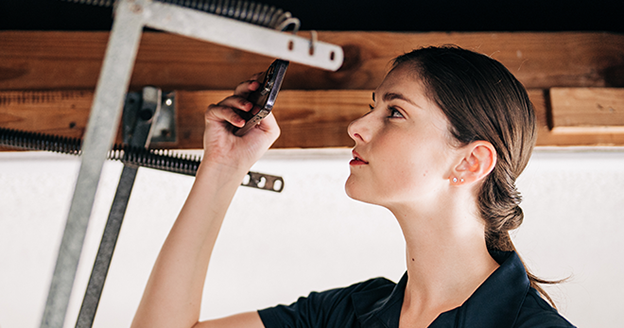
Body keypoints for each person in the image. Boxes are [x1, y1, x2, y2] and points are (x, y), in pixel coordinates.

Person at [131, 46, 575, 328]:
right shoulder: (347, 313)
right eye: (372, 107)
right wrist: (223, 168)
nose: (357, 126)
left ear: (470, 161)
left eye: (395, 113)